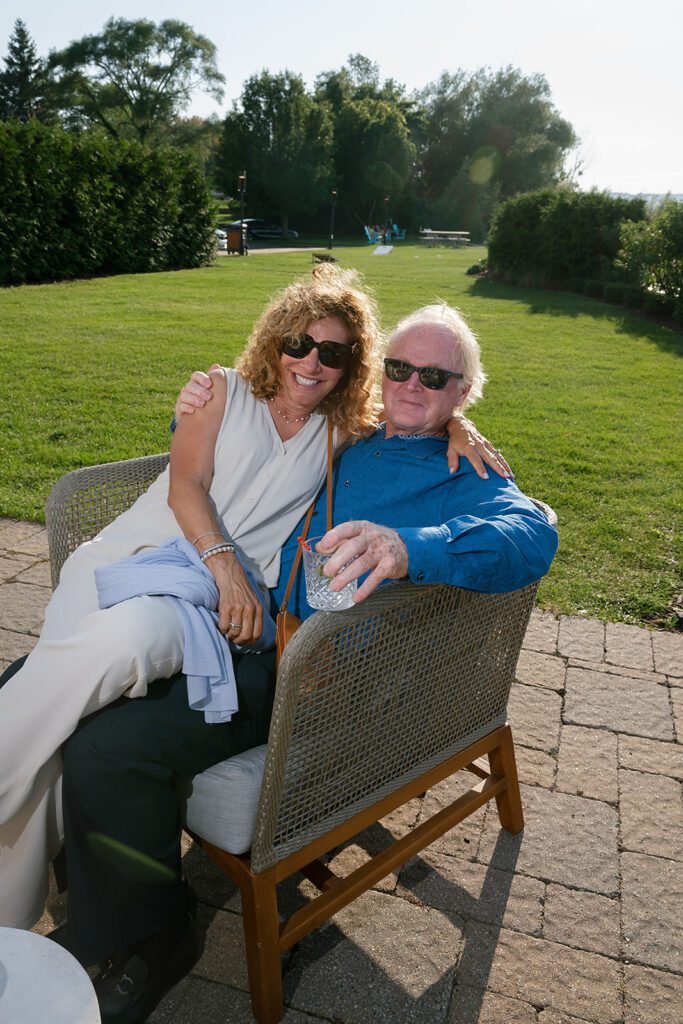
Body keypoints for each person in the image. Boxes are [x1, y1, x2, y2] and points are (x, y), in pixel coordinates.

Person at [0, 302, 556, 1024]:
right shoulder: (347, 435)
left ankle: (149, 940)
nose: (412, 384)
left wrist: (408, 546)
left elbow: (531, 530)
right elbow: (249, 439)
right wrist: (199, 408)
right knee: (48, 687)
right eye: (399, 368)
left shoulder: (461, 472)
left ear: (461, 392)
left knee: (110, 744)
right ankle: (74, 890)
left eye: (436, 376)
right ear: (379, 376)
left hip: (317, 677)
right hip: (248, 633)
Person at [0, 264, 388, 933]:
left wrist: (464, 427)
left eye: (332, 352)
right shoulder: (222, 390)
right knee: (60, 740)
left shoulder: (343, 432)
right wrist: (227, 568)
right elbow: (185, 486)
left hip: (192, 609)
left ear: (352, 364)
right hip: (128, 565)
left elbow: (425, 410)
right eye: (298, 342)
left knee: (116, 653)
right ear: (275, 340)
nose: (310, 361)